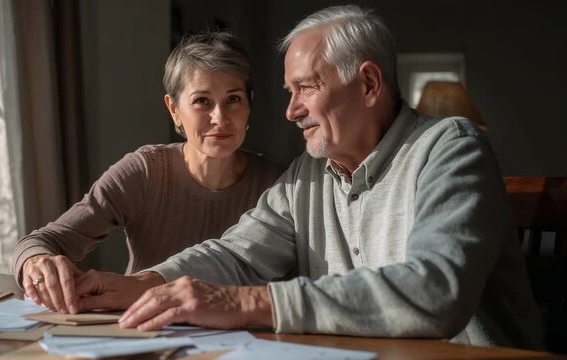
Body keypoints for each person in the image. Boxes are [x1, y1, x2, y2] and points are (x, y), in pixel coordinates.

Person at [73, 5, 543, 350]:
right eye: (287, 92)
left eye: (306, 88)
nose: (291, 110)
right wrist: (146, 282)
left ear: (369, 84)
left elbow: (435, 291)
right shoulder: (310, 173)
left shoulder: (450, 148)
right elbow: (237, 256)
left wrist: (246, 304)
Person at [11, 31, 284, 315]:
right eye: (202, 101)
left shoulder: (279, 184)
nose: (220, 118)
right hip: (143, 329)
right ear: (174, 109)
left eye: (234, 99)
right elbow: (42, 241)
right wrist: (36, 262)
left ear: (249, 103)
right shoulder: (145, 171)